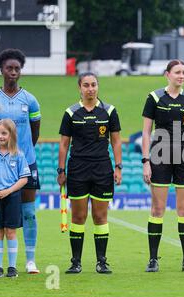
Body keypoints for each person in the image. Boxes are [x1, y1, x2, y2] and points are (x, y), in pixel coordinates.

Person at [0, 48, 41, 275]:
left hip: (25, 164)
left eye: (17, 68)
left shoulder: (31, 101)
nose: (13, 72)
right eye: (9, 68)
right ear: (1, 70)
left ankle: (30, 260)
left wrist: (19, 155)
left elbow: (35, 134)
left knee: (29, 212)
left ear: (21, 71)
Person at [142, 59, 184, 272]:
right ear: (167, 74)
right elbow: (146, 132)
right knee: (157, 208)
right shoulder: (154, 97)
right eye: (177, 72)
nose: (181, 76)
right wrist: (145, 161)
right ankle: (152, 259)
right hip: (159, 156)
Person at [57, 72, 122, 274]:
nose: (90, 88)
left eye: (94, 84)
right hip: (77, 169)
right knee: (78, 216)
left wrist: (118, 167)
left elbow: (116, 141)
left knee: (100, 216)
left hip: (102, 168)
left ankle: (101, 262)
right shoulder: (71, 113)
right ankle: (76, 262)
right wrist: (61, 170)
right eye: (86, 85)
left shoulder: (109, 111)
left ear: (98, 87)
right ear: (80, 88)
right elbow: (64, 144)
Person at [0, 119, 31, 277]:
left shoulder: (18, 155)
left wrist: (9, 191)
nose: (0, 136)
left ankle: (12, 267)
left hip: (12, 197)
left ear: (11, 135)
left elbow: (24, 179)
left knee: (10, 231)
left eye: (4, 133)